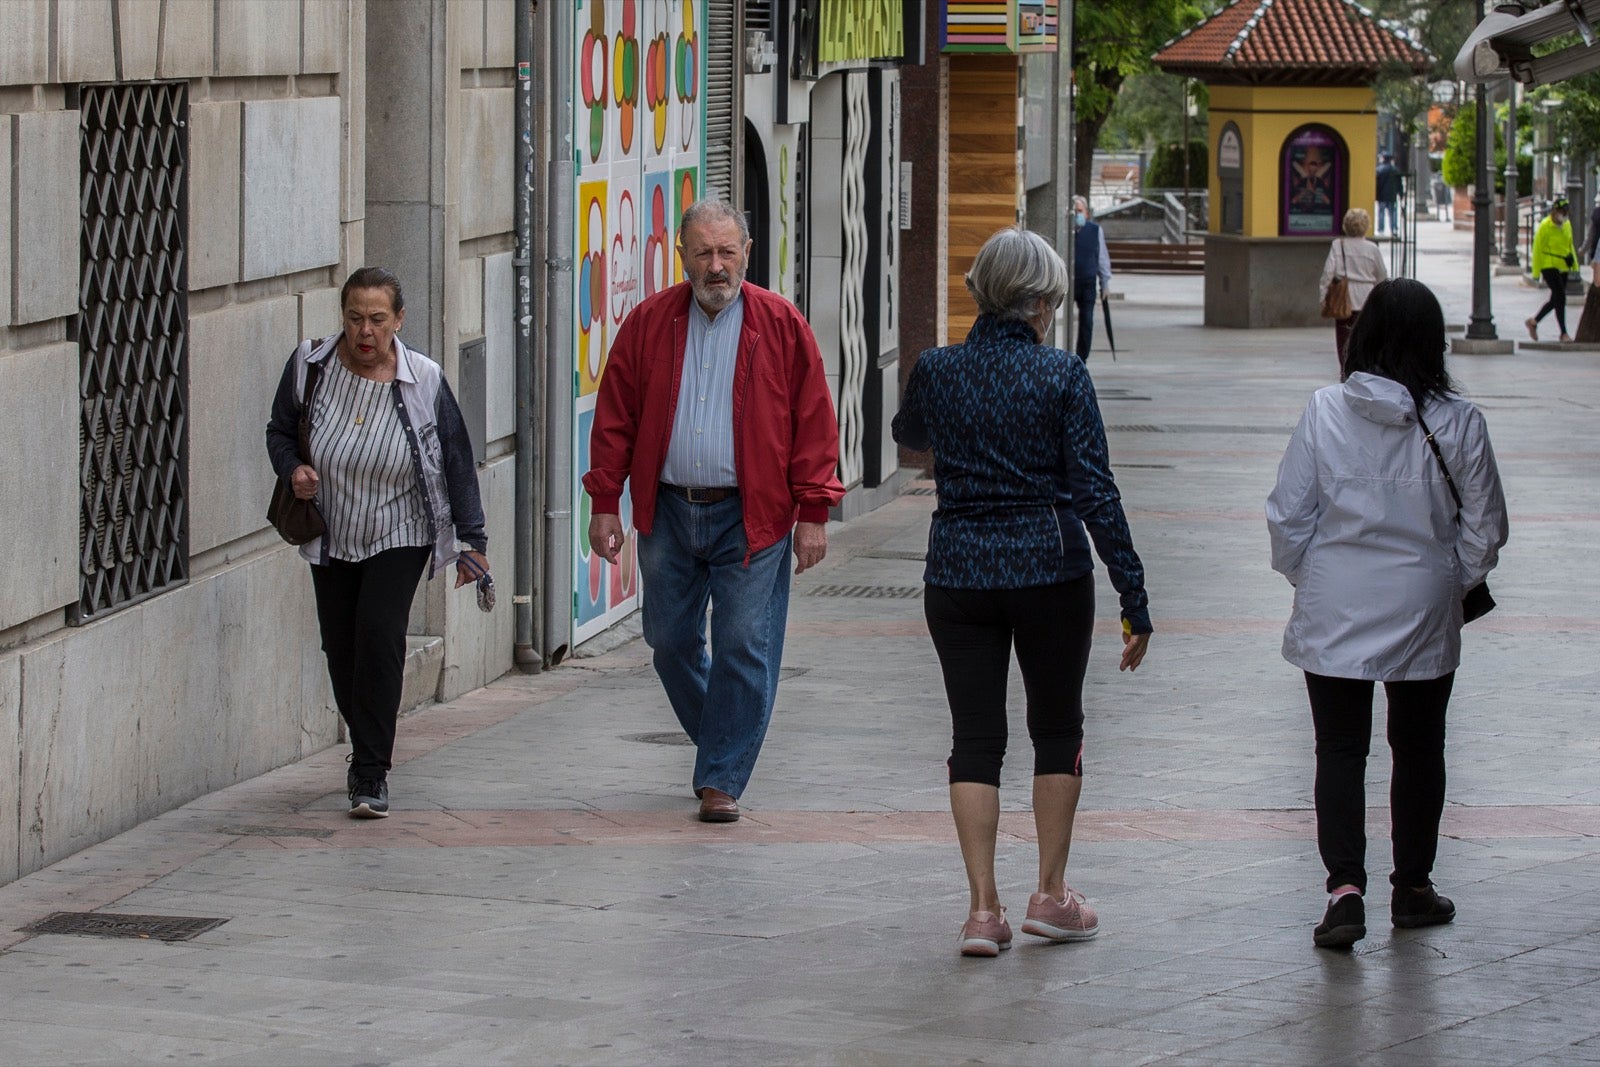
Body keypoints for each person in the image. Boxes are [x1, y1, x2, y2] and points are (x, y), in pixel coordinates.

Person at [892, 227, 1152, 958]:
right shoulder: (1063, 375)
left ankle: (982, 910)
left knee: (974, 738)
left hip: (958, 572)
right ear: (1040, 301)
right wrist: (1134, 595)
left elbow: (908, 433)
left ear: (980, 291)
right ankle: (1051, 892)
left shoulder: (937, 369)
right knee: (1056, 728)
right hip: (1050, 569)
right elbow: (1096, 492)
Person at [584, 198, 844, 824]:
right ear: (682, 256)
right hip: (669, 511)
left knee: (741, 641)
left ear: (747, 253)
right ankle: (725, 742)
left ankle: (722, 777)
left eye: (728, 251)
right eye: (703, 252)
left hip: (751, 514)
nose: (717, 265)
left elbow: (813, 422)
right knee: (668, 640)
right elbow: (615, 419)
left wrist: (814, 511)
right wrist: (604, 504)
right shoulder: (647, 324)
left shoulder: (781, 324)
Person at [1267, 278, 1508, 950]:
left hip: (1334, 606)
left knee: (1340, 749)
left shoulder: (1323, 411)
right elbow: (1486, 529)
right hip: (1424, 606)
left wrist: (1310, 576)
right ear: (1434, 342)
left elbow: (1288, 516)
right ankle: (1412, 886)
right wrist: (1447, 583)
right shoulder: (1459, 421)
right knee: (1420, 745)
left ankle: (1344, 889)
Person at [267, 267, 490, 819]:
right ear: (342, 316)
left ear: (399, 320)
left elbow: (457, 459)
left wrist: (474, 540)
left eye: (377, 320)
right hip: (332, 530)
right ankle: (364, 742)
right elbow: (278, 429)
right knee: (339, 647)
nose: (365, 332)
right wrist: (293, 468)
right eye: (354, 318)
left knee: (379, 635)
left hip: (401, 529)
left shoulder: (424, 379)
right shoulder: (309, 366)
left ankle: (371, 771)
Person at [1318, 208, 1388, 373]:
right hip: (1367, 299)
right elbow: (1382, 276)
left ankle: (1346, 371)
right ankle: (1364, 371)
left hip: (1344, 298)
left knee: (1343, 339)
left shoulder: (1338, 245)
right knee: (1366, 339)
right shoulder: (1373, 249)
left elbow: (1328, 273)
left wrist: (1323, 298)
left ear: (1345, 226)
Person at [1526, 196, 1576, 343]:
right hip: (1548, 265)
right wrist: (1535, 272)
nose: (1564, 215)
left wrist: (1574, 264)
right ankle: (1563, 333)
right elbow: (1537, 249)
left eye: (1566, 212)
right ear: (1555, 211)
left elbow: (1569, 245)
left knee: (1556, 299)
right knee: (1560, 297)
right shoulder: (1545, 226)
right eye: (1562, 212)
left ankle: (1534, 322)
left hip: (1563, 265)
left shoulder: (1566, 225)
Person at [1070, 195, 1112, 362]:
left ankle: (1082, 357)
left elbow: (1102, 257)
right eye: (1074, 211)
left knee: (1087, 321)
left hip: (1087, 282)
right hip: (1069, 282)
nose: (1077, 214)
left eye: (1079, 211)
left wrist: (1105, 283)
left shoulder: (1095, 230)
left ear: (1086, 213)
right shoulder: (1067, 231)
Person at [1375, 152, 1402, 236]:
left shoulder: (1379, 170)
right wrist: (1400, 194)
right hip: (1392, 195)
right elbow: (1399, 184)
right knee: (1392, 213)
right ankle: (1393, 229)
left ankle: (1381, 230)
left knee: (1381, 213)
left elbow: (1376, 184)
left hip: (1381, 195)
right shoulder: (1395, 170)